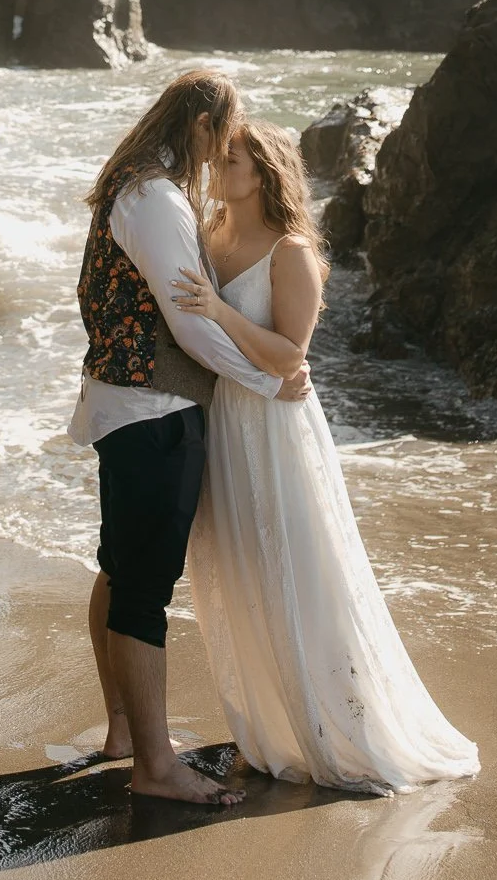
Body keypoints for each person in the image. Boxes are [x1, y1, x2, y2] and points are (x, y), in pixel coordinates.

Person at [172, 121, 480, 795]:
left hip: (273, 429)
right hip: (220, 420)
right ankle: (267, 726)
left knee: (297, 567)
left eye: (233, 158)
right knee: (237, 569)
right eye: (218, 156)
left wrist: (221, 317)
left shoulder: (291, 252)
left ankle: (329, 723)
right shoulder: (206, 233)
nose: (218, 166)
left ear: (267, 170)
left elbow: (290, 358)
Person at [68, 69, 311, 807]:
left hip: (128, 404)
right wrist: (269, 381)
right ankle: (155, 766)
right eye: (223, 137)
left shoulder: (136, 189)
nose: (220, 156)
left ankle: (121, 731)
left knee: (119, 569)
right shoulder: (157, 199)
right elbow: (191, 325)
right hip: (153, 411)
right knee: (142, 589)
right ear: (202, 127)